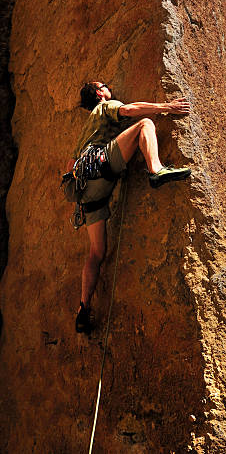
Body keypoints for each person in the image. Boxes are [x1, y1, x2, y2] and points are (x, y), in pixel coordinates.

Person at [67, 81, 191, 334]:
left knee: (96, 253)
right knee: (145, 124)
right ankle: (156, 170)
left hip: (87, 194)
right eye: (104, 86)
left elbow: (69, 164)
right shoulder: (104, 107)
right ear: (100, 94)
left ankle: (83, 308)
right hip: (101, 166)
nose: (108, 87)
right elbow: (130, 110)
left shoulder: (85, 132)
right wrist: (166, 107)